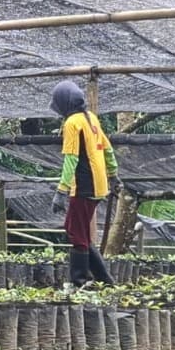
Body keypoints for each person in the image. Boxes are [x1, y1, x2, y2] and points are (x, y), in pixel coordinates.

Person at [48, 81, 120, 287]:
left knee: (75, 232)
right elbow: (107, 149)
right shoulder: (92, 119)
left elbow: (71, 159)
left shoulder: (72, 123)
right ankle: (105, 280)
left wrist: (61, 191)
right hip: (98, 185)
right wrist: (113, 175)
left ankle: (80, 280)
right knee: (77, 230)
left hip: (83, 185)